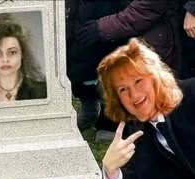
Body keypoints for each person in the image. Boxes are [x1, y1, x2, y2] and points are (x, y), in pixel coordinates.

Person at [98, 37, 195, 179]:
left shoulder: (192, 95)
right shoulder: (133, 136)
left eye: (138, 80)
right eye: (123, 89)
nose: (134, 95)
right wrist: (112, 171)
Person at [66, 0, 182, 142]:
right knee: (78, 63)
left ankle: (111, 120)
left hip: (121, 20)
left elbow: (142, 10)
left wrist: (104, 27)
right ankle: (89, 106)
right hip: (87, 15)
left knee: (114, 65)